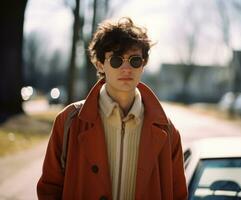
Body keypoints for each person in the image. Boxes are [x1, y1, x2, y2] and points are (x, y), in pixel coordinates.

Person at [37, 17, 188, 200]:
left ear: (143, 64)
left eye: (134, 60)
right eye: (116, 60)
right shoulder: (68, 121)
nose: (126, 68)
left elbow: (178, 194)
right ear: (101, 64)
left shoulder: (168, 132)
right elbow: (49, 189)